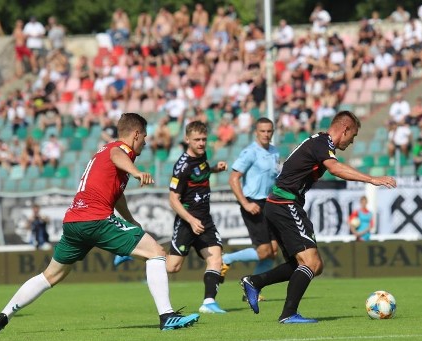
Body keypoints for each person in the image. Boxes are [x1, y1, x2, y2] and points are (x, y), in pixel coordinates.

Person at [0, 113, 199, 333]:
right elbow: (117, 154)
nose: (145, 140)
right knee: (155, 252)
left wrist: (132, 221)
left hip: (74, 222)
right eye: (144, 135)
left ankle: (2, 317)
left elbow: (117, 196)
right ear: (136, 134)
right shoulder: (118, 150)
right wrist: (136, 172)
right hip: (96, 219)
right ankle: (167, 316)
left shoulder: (103, 153)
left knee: (51, 275)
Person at [240, 111, 397, 323]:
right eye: (354, 136)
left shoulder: (319, 142)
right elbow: (335, 169)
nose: (352, 142)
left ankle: (255, 282)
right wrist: (372, 179)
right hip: (284, 204)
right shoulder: (322, 143)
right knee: (311, 263)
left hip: (278, 204)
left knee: (307, 265)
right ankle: (288, 314)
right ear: (345, 129)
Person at [115, 121, 229, 314]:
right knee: (172, 267)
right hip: (187, 222)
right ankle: (131, 254)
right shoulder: (181, 167)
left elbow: (201, 171)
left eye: (204, 139)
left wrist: (215, 169)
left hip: (204, 221)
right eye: (197, 140)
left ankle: (208, 302)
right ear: (187, 140)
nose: (201, 143)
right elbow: (173, 199)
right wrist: (191, 220)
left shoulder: (202, 156)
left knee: (216, 258)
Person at [222, 118, 280, 293]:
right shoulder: (250, 152)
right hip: (253, 204)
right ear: (256, 132)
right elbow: (233, 178)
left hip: (270, 203)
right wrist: (245, 203)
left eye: (269, 131)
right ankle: (227, 258)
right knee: (263, 252)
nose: (266, 134)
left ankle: (253, 290)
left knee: (274, 251)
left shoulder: (275, 152)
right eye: (262, 131)